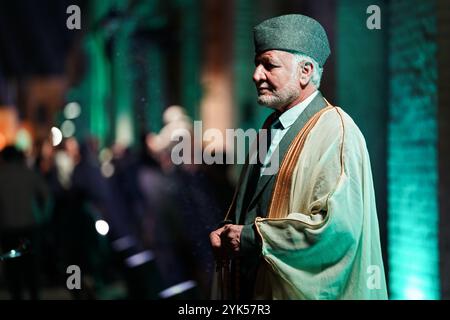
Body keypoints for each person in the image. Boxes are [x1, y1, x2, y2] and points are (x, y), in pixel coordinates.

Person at [209, 14, 388, 299]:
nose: (256, 74)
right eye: (257, 64)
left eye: (269, 65)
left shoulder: (336, 130)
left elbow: (335, 230)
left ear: (305, 72)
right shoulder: (270, 127)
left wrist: (250, 237)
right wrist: (227, 232)